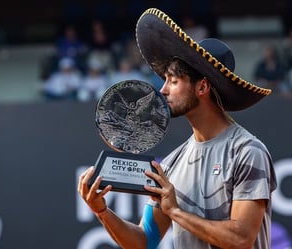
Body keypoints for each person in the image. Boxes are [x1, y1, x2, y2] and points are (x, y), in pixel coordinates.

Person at [78, 8, 277, 249]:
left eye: (173, 81)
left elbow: (241, 239)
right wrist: (102, 211)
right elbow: (144, 241)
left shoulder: (247, 152)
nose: (163, 90)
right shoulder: (172, 164)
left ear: (202, 87)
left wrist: (175, 211)